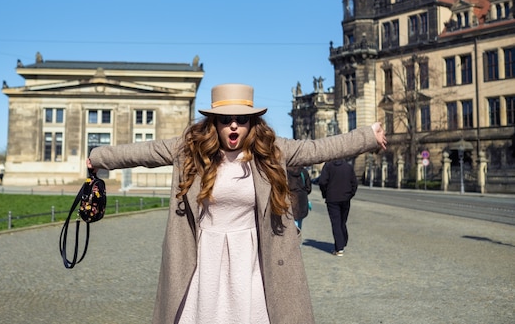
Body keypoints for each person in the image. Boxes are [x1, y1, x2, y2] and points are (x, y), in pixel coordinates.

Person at [87, 83, 387, 324]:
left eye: (241, 120)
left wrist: (368, 136)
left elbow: (320, 148)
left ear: (251, 122)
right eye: (225, 120)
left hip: (253, 255)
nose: (233, 127)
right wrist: (98, 158)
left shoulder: (273, 151)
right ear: (214, 123)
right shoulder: (189, 150)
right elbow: (144, 153)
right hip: (202, 255)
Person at [319, 158, 358, 257]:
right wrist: (350, 195)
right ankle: (342, 241)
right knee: (342, 221)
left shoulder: (328, 166)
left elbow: (322, 182)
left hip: (332, 198)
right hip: (345, 198)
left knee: (336, 223)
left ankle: (339, 248)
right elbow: (354, 183)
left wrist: (325, 193)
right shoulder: (348, 167)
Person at [287, 165, 311, 231]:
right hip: (301, 199)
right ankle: (297, 236)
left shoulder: (285, 171)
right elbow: (308, 188)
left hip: (289, 198)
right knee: (299, 221)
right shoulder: (303, 171)